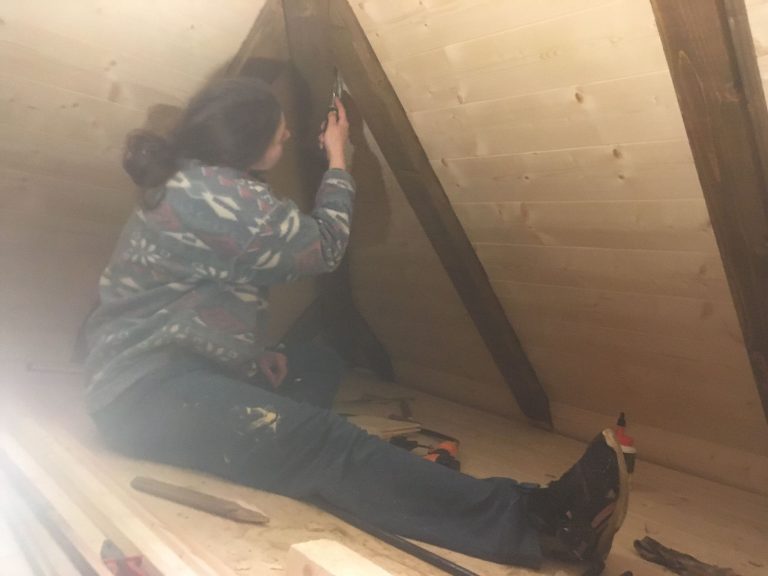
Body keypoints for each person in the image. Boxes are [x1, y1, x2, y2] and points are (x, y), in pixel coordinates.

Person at [85, 77, 628, 570]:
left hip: (162, 374)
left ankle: (281, 452)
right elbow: (324, 246)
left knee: (316, 362)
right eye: (280, 134)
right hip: (145, 397)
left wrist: (251, 356)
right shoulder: (227, 198)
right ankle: (541, 522)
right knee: (327, 442)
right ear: (244, 147)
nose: (289, 134)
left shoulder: (191, 178)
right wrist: (339, 160)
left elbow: (187, 296)